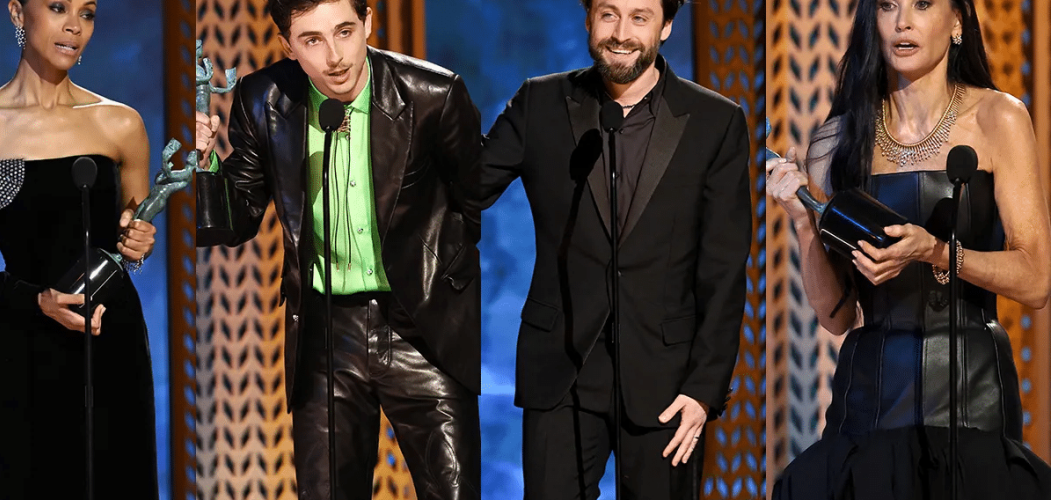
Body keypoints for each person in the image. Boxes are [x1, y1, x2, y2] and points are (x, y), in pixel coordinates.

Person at [193, 0, 482, 498]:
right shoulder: (263, 99)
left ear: (368, 22)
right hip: (326, 333)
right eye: (312, 40)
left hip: (421, 324)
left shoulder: (433, 93)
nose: (336, 56)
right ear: (287, 45)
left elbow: (473, 196)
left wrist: (439, 272)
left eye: (345, 31)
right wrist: (205, 168)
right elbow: (236, 222)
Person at [767, 0, 1051, 498]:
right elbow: (837, 317)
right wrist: (805, 227)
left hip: (970, 394)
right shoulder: (835, 139)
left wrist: (937, 252)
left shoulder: (998, 118)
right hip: (870, 396)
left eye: (921, 4)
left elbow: (1035, 279)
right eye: (887, 7)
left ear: (957, 22)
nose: (902, 22)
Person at [477, 0, 751, 497]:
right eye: (609, 14)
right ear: (587, 18)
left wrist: (704, 390)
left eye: (640, 17)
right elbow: (465, 189)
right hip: (560, 372)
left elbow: (724, 269)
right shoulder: (539, 103)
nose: (621, 33)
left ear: (666, 26)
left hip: (667, 383)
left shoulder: (716, 121)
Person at [0, 0, 159, 497]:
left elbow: (131, 247)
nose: (74, 25)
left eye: (88, 12)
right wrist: (34, 300)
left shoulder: (120, 124)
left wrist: (138, 243)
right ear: (17, 12)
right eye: (57, 7)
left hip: (110, 341)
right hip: (27, 348)